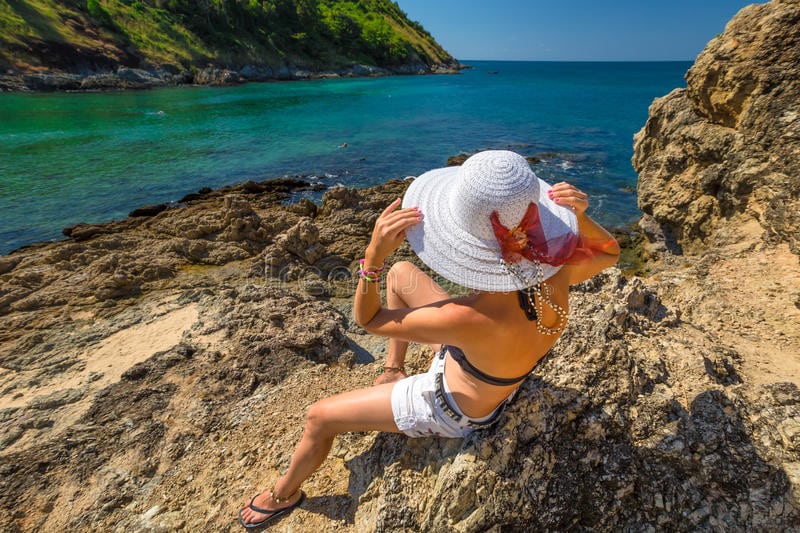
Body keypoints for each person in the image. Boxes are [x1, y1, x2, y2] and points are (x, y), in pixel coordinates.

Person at [238, 150, 620, 528]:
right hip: (493, 371)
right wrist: (580, 218)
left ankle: (283, 494)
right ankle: (393, 367)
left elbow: (369, 319)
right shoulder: (556, 275)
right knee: (402, 274)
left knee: (319, 417)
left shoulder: (464, 317)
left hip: (454, 407)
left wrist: (372, 258)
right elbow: (609, 251)